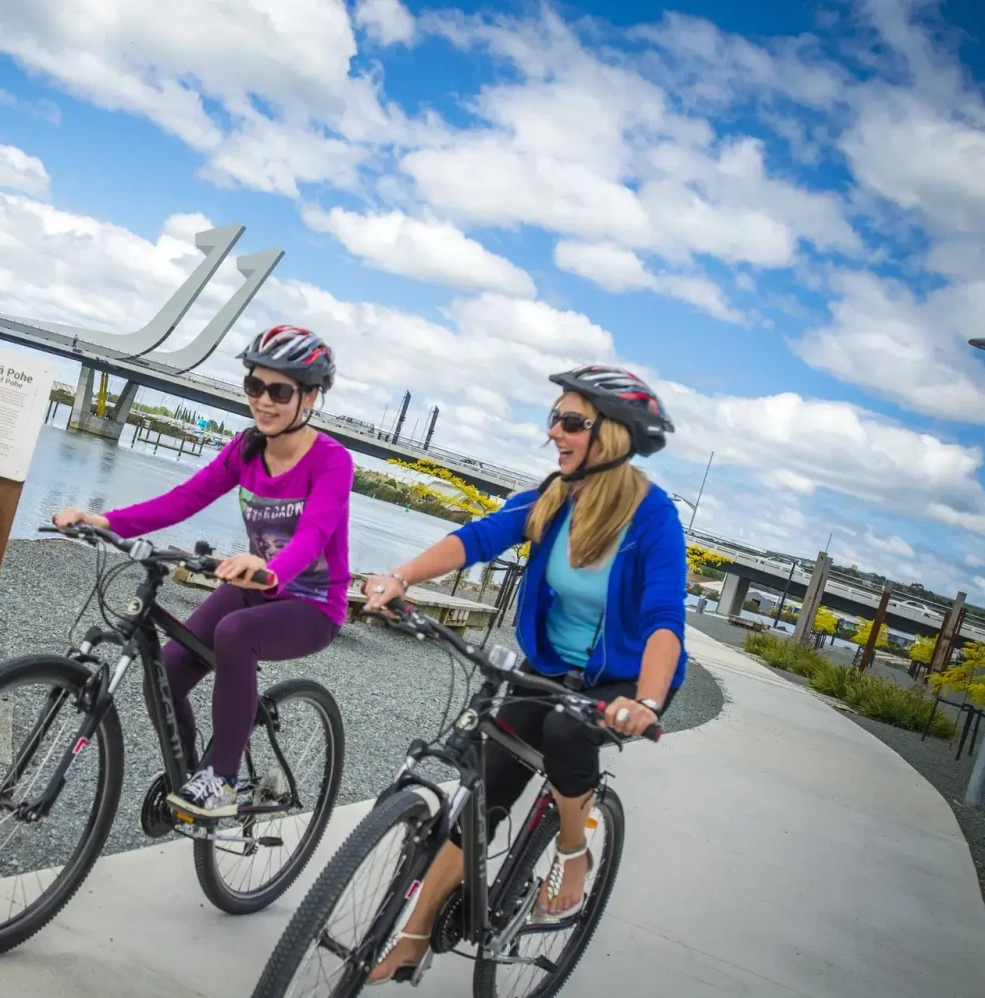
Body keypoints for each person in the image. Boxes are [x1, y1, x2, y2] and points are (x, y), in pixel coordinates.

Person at [360, 364, 687, 984]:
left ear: (611, 437)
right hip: (549, 666)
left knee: (566, 735)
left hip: (624, 677)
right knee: (484, 786)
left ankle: (573, 849)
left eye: (570, 422)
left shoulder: (653, 516)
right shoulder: (552, 496)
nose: (554, 434)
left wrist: (644, 700)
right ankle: (412, 937)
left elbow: (665, 618)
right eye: (554, 420)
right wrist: (400, 578)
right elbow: (481, 538)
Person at [53, 325, 354, 819]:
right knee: (166, 672)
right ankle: (192, 777)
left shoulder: (332, 461)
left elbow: (313, 536)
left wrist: (270, 569)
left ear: (311, 397)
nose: (264, 401)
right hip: (255, 588)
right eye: (255, 386)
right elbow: (185, 499)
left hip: (312, 605)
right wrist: (104, 520)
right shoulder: (246, 448)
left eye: (280, 391)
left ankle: (223, 780)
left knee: (236, 634)